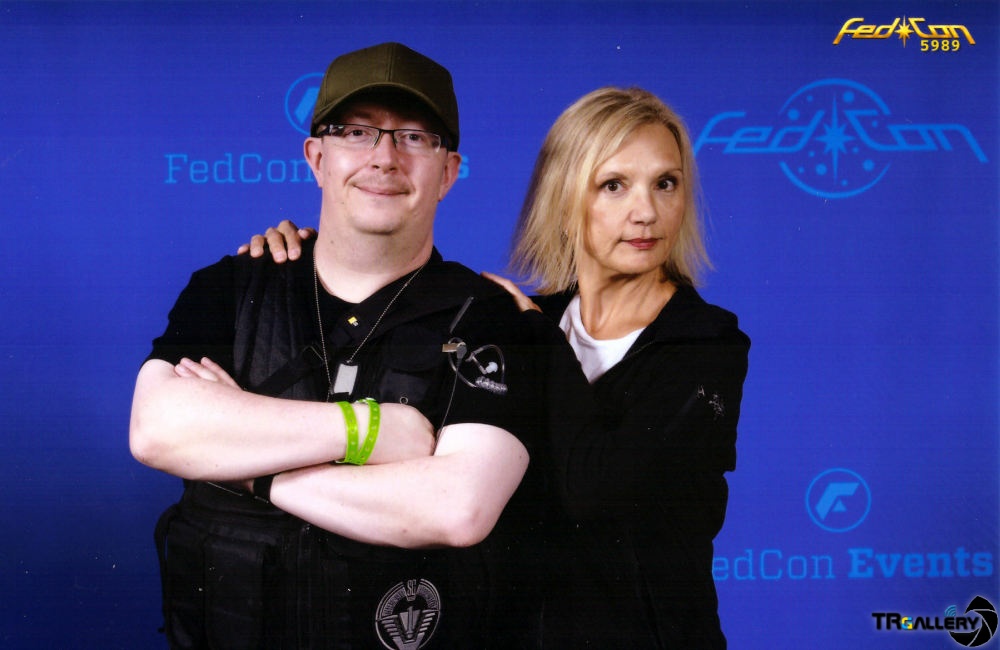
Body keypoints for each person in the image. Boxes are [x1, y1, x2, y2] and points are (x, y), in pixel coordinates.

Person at [253, 86, 750, 648]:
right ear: (565, 196)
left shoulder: (705, 343)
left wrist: (539, 339)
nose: (647, 212)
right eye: (614, 185)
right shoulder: (520, 321)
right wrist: (303, 257)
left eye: (666, 183)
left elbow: (592, 488)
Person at [130, 42, 559, 649]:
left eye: (414, 137)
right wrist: (368, 432)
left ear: (448, 171)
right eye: (357, 132)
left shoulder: (491, 317)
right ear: (317, 157)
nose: (384, 157)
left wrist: (254, 474)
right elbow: (155, 430)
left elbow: (456, 508)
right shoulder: (229, 288)